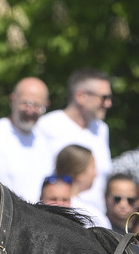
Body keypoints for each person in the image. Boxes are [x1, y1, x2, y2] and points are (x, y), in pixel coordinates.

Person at [35, 69, 114, 222]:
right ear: (80, 96)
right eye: (104, 97)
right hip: (64, 220)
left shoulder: (101, 129)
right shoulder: (48, 126)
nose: (108, 103)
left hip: (98, 219)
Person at [0, 77, 54, 202]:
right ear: (12, 100)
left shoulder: (45, 140)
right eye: (25, 103)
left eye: (37, 105)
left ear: (46, 105)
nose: (30, 110)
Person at [53, 145, 104, 227]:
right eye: (93, 168)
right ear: (79, 173)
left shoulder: (43, 204)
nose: (95, 174)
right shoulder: (92, 216)